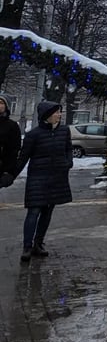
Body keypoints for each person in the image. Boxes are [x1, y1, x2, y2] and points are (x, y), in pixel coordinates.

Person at [1, 101, 72, 262]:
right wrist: (10, 175)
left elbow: (68, 148)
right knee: (34, 211)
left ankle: (38, 243)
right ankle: (27, 246)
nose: (59, 115)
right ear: (47, 115)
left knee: (48, 212)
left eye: (60, 112)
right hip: (38, 178)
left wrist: (68, 162)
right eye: (56, 113)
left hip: (57, 178)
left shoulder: (64, 131)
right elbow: (23, 157)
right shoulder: (34, 135)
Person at [0, 95, 21, 182]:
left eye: (1, 103)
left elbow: (14, 150)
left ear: (6, 106)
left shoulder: (12, 125)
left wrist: (8, 171)